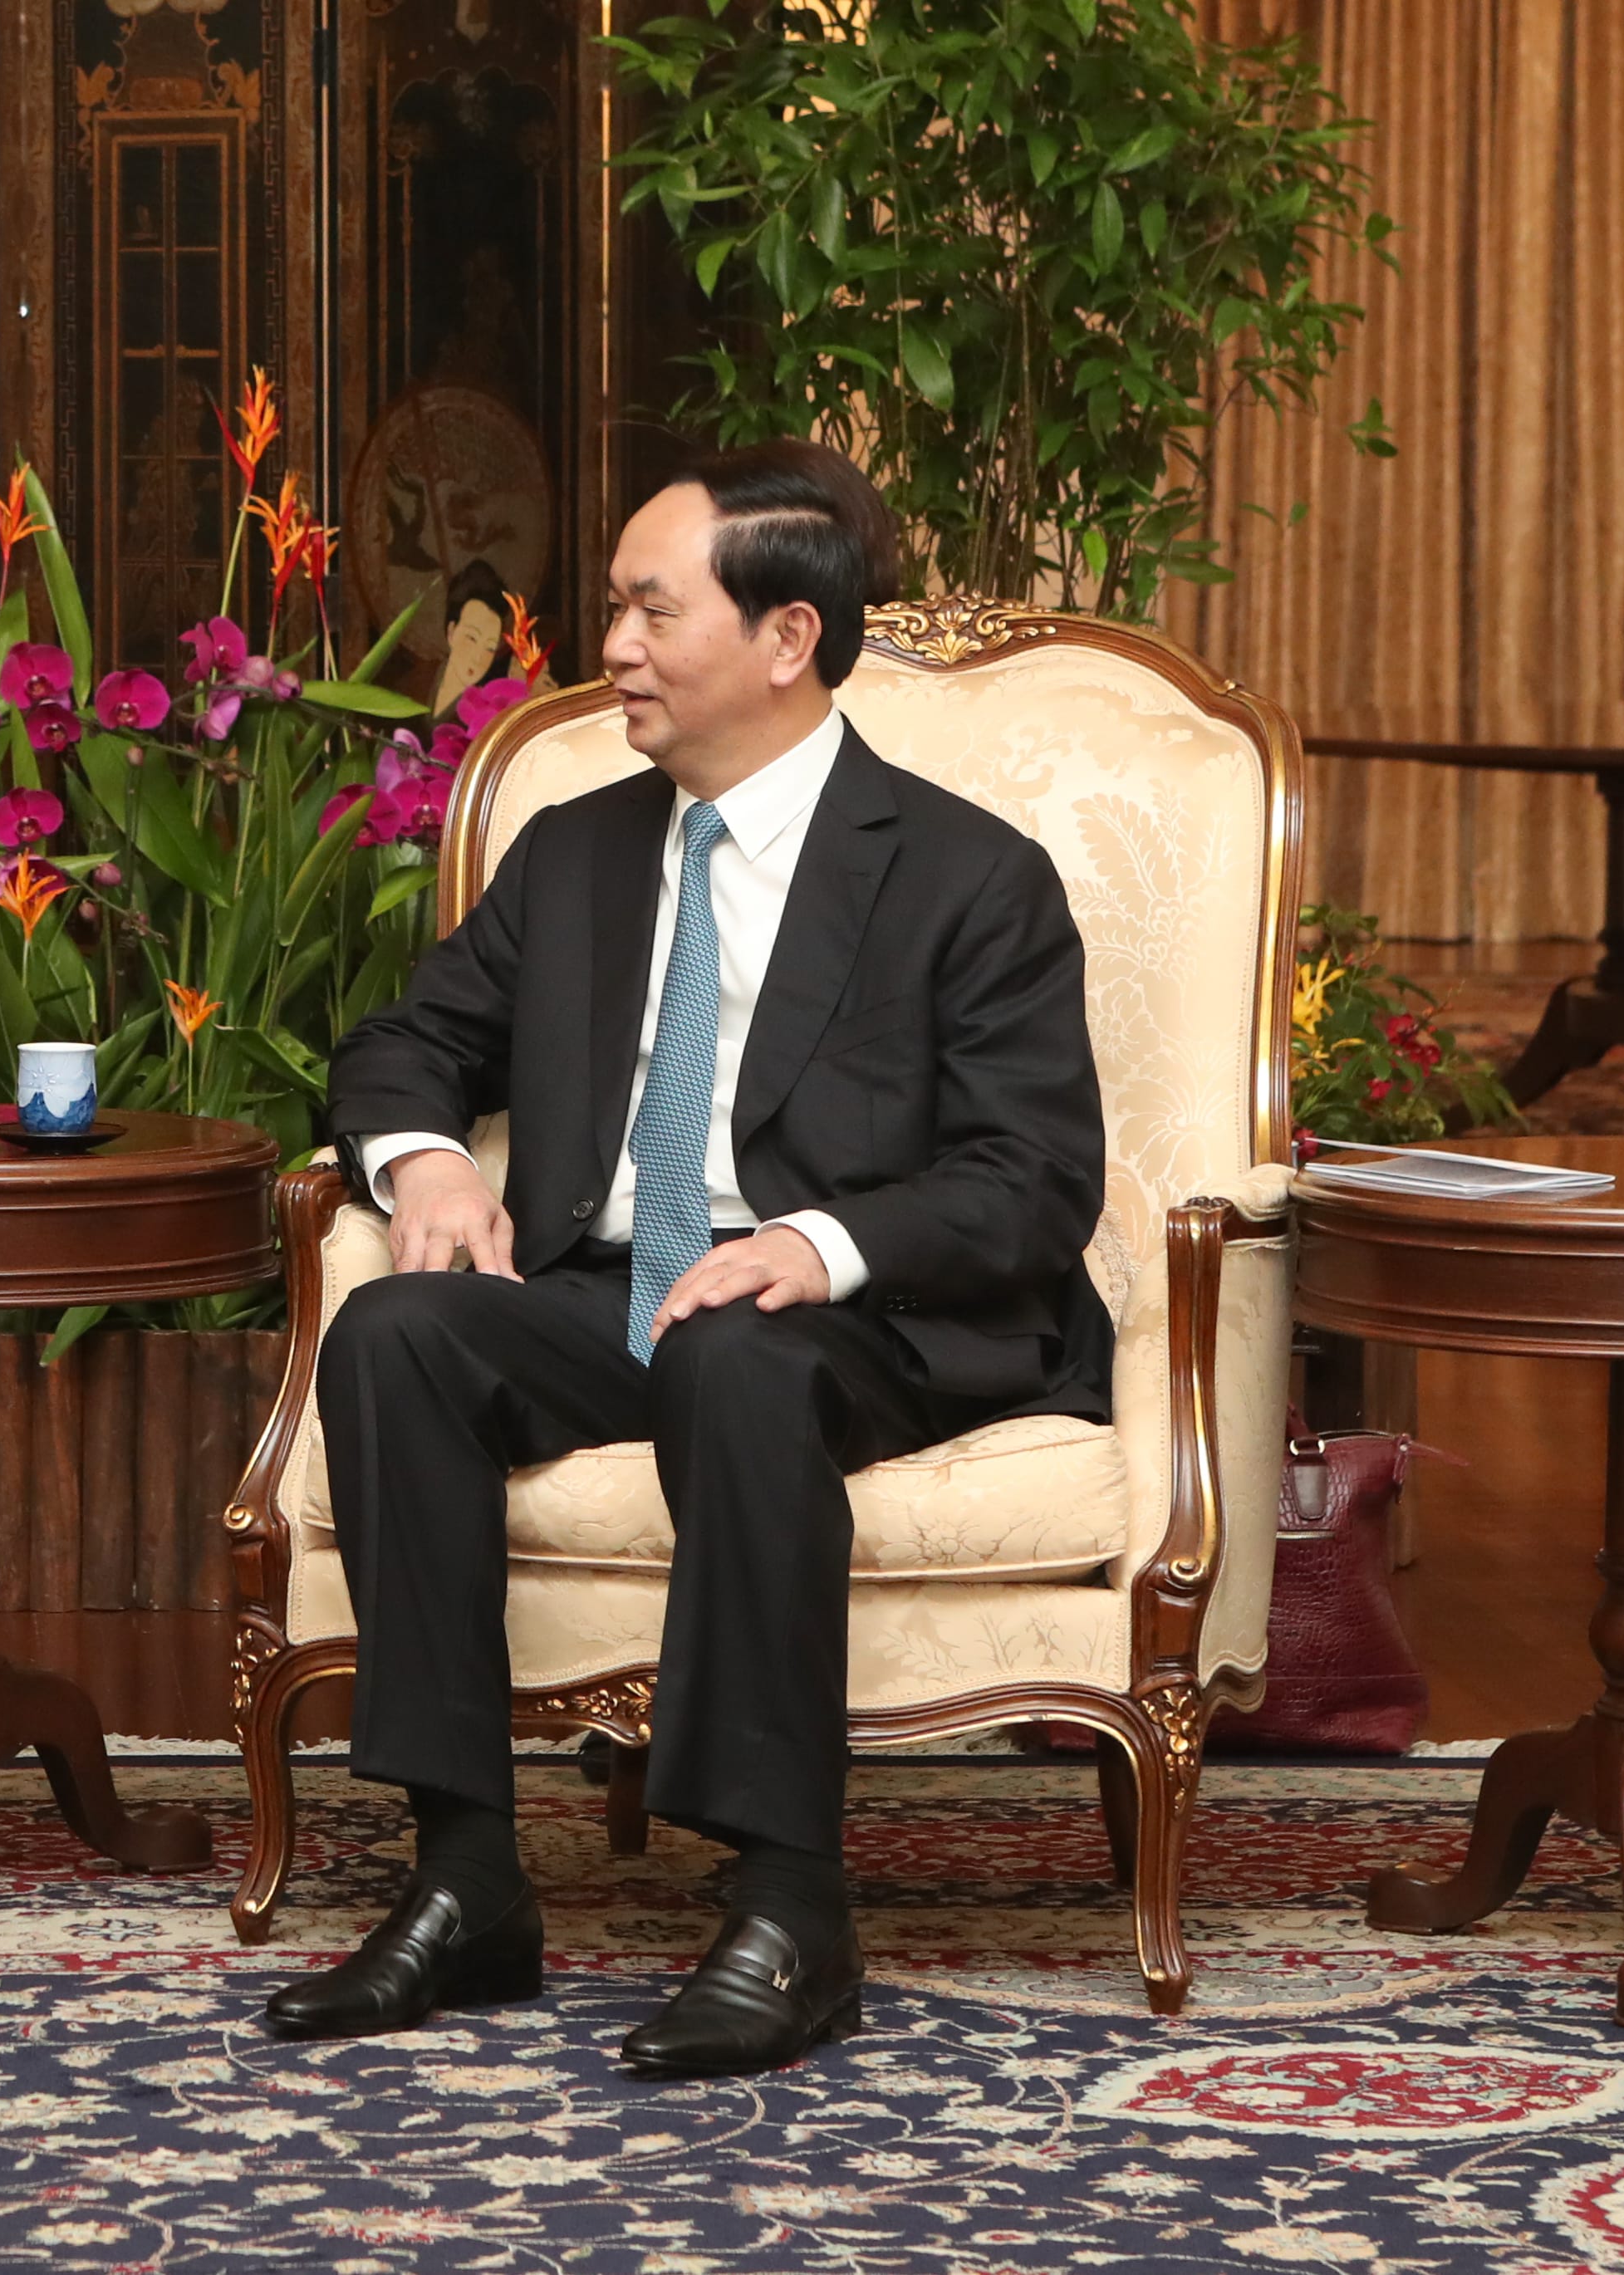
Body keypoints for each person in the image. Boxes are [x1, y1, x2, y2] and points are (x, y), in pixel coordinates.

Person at [268, 440, 1109, 2076]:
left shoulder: (961, 876)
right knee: (398, 1334)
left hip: (868, 1316)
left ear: (783, 636)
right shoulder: (577, 853)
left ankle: (788, 1904)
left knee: (735, 1345)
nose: (613, 646)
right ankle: (464, 1882)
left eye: (651, 609)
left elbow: (1031, 1181)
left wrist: (813, 1239)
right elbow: (397, 1043)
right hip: (621, 1286)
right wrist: (427, 1156)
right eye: (613, 609)